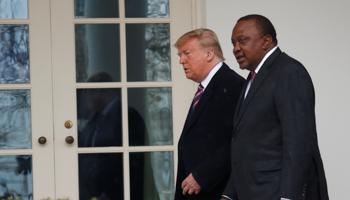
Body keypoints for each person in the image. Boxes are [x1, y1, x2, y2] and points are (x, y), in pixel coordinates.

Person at [221, 14, 329, 200]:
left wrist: (289, 197)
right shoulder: (254, 79)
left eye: (242, 41)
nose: (236, 49)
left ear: (266, 41)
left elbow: (298, 142)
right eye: (233, 43)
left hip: (277, 193)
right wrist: (229, 195)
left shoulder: (288, 71)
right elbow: (245, 145)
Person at [174, 28, 245, 200]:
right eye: (180, 55)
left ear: (209, 54)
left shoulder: (233, 85)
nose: (181, 60)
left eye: (187, 53)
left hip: (215, 192)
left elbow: (238, 141)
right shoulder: (206, 86)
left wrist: (202, 176)